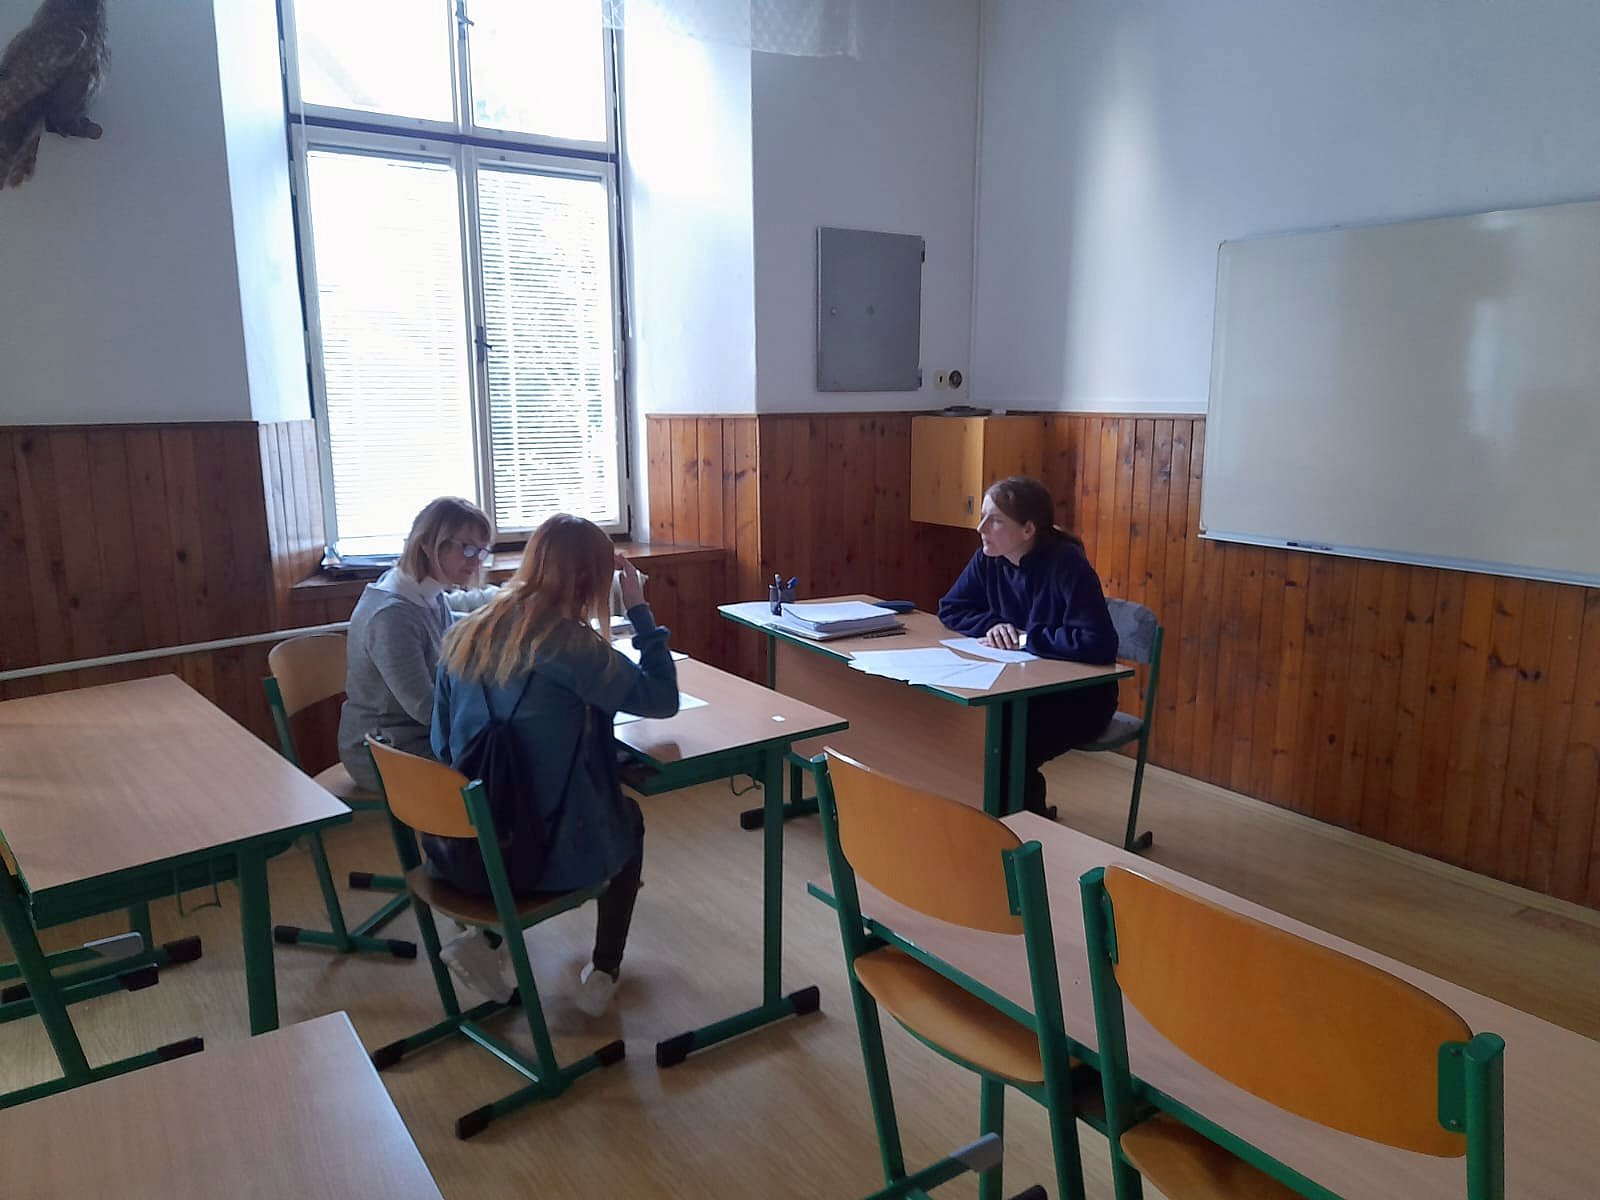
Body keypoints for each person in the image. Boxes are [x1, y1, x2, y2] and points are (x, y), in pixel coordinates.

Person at [429, 513, 678, 1016]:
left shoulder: (467, 632)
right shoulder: (574, 648)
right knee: (627, 819)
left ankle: (485, 940)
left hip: (460, 849)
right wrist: (640, 610)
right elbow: (663, 699)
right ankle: (603, 971)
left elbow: (441, 745)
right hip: (540, 858)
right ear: (591, 581)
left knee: (533, 801)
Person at [938, 476, 1119, 818]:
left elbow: (1099, 643)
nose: (980, 528)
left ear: (1027, 530)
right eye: (982, 516)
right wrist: (992, 625)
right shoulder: (989, 557)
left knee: (1003, 744)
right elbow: (951, 608)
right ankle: (993, 821)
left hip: (1079, 698)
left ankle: (1023, 828)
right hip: (1019, 689)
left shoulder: (1067, 565)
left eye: (995, 520)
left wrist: (1026, 639)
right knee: (972, 732)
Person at [338, 497, 494, 793]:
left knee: (508, 754)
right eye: (467, 548)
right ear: (428, 544)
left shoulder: (426, 593)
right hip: (385, 749)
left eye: (482, 550)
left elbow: (447, 627)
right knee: (501, 766)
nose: (476, 560)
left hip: (417, 736)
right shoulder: (391, 616)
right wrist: (491, 714)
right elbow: (425, 708)